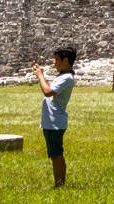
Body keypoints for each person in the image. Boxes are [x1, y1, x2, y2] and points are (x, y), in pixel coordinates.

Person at [33, 47, 78, 189]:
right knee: (54, 154)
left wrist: (40, 76)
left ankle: (59, 185)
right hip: (52, 122)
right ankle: (59, 184)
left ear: (65, 60)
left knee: (57, 155)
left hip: (55, 122)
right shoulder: (63, 76)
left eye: (57, 59)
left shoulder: (66, 78)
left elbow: (47, 92)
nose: (54, 63)